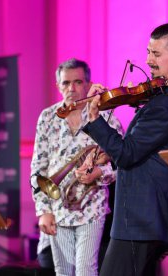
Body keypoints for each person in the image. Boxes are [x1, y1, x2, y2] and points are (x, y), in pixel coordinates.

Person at [83, 22, 168, 276]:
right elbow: (146, 151)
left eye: (156, 54)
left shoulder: (167, 106)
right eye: (148, 52)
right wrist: (107, 154)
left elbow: (127, 154)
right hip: (147, 218)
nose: (148, 61)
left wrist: (94, 119)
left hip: (140, 220)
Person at [30, 58, 123, 276]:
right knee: (63, 272)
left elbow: (124, 164)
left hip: (92, 206)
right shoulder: (47, 117)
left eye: (78, 82)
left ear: (88, 84)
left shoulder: (105, 117)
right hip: (58, 206)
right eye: (66, 83)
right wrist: (43, 210)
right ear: (58, 86)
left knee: (85, 271)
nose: (71, 88)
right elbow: (38, 167)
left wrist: (99, 174)